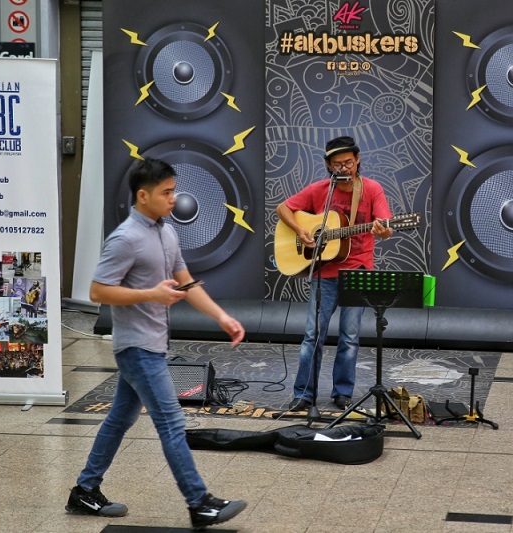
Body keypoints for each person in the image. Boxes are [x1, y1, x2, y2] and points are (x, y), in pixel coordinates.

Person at [66, 158, 247, 530]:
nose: (174, 198)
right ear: (143, 195)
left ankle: (84, 489)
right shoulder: (125, 238)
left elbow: (186, 282)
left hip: (154, 343)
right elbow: (98, 290)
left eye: (173, 190)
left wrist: (221, 317)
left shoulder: (166, 233)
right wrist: (150, 293)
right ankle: (200, 503)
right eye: (166, 192)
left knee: (120, 418)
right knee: (170, 423)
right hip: (136, 346)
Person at [276, 136, 394, 412]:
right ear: (329, 165)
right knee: (312, 336)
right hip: (324, 273)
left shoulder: (372, 189)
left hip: (358, 271)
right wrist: (300, 230)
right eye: (338, 164)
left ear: (358, 159)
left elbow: (386, 227)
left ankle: (342, 393)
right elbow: (283, 208)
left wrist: (384, 229)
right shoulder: (319, 191)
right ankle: (304, 394)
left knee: (349, 337)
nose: (344, 168)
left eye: (349, 162)